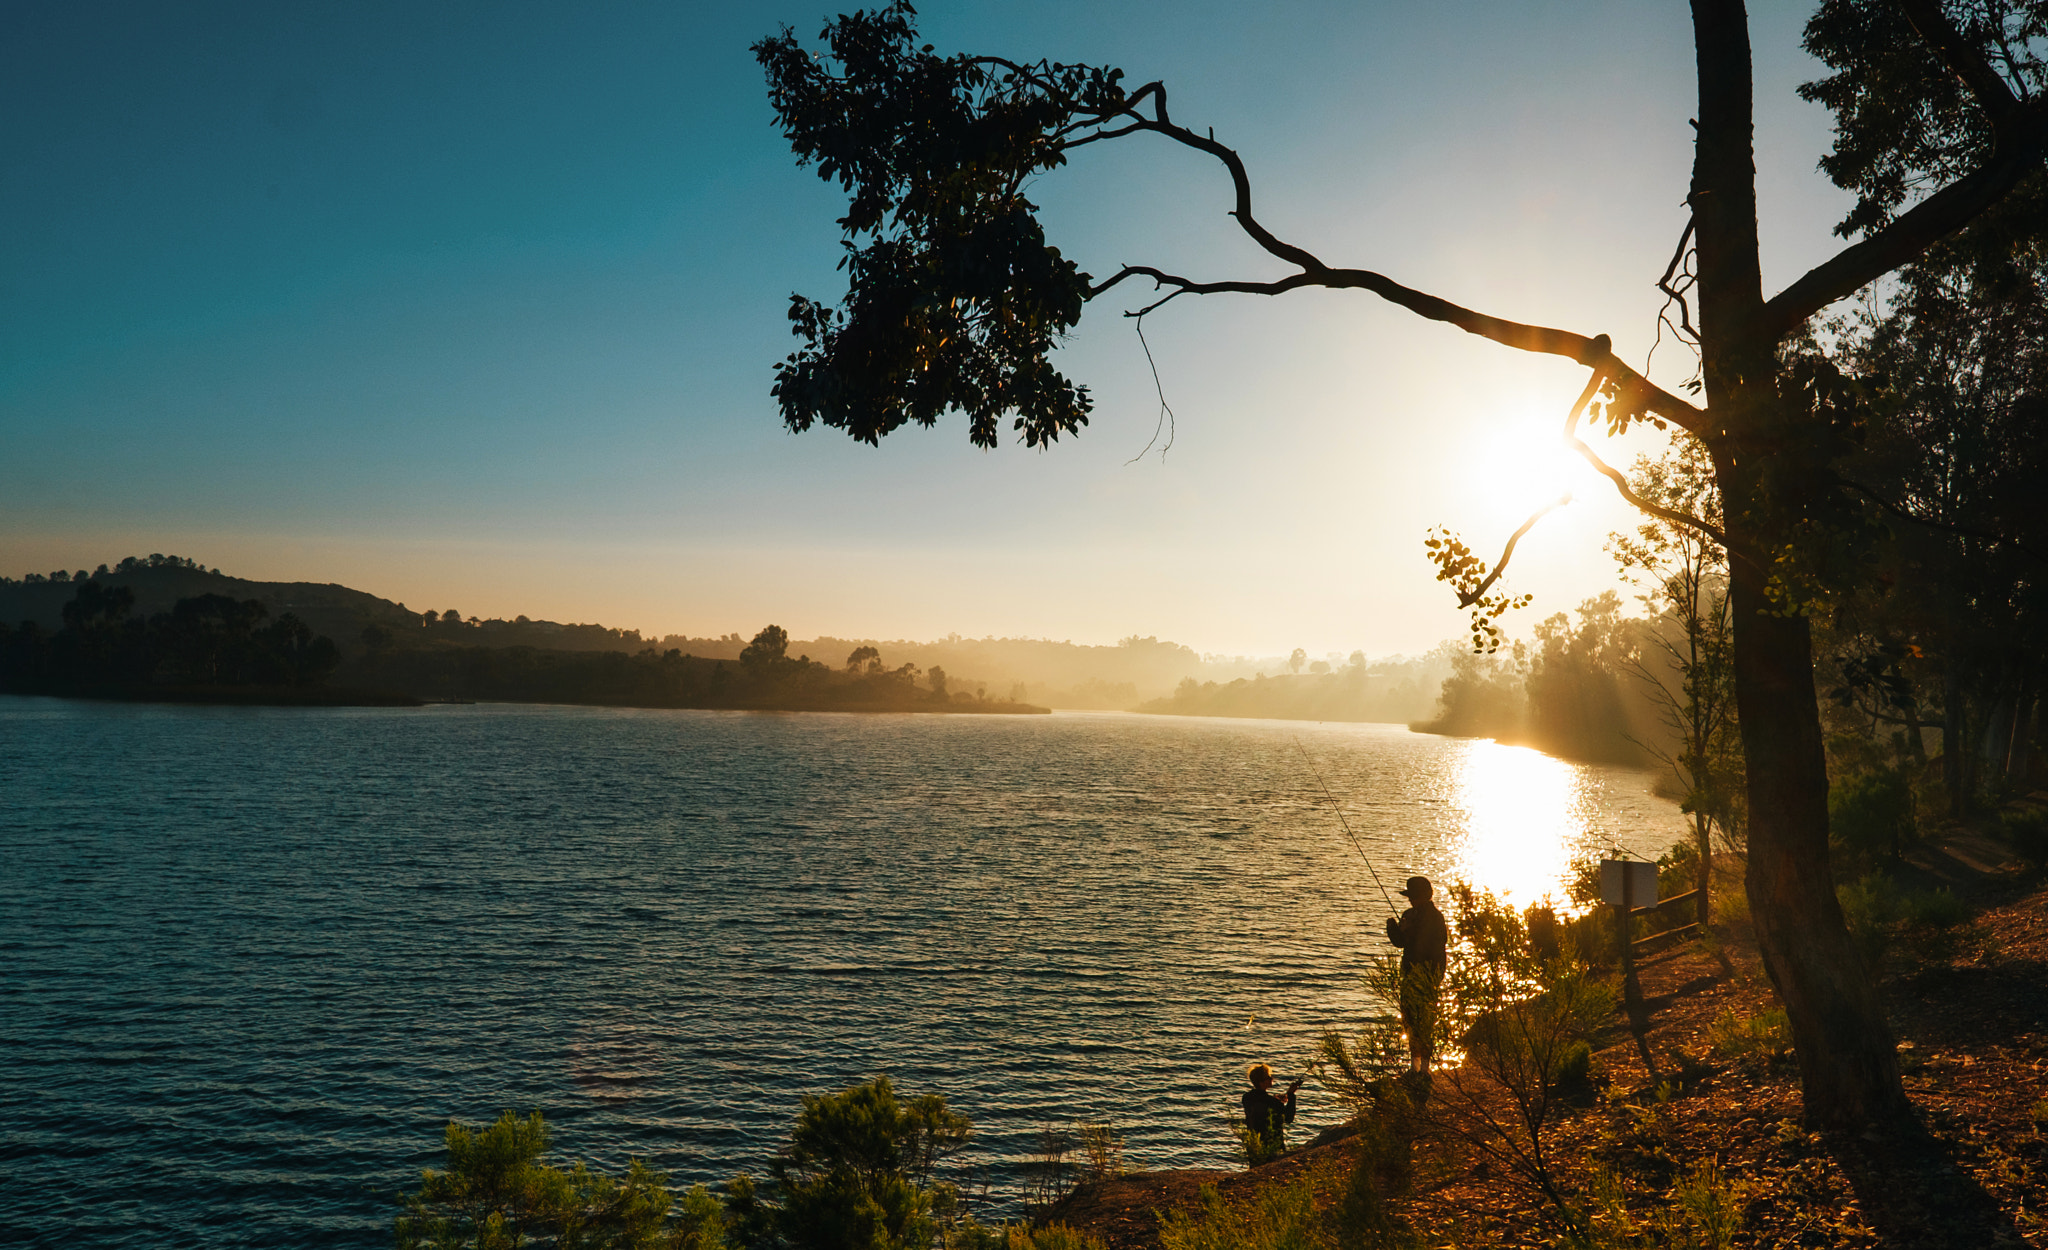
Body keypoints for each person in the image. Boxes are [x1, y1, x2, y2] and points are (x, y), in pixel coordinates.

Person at [1385, 875, 1449, 1073]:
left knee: (1422, 1021)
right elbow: (1400, 942)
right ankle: (1417, 1067)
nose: (1411, 900)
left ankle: (1423, 1069)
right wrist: (1393, 927)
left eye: (1414, 896)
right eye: (1410, 897)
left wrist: (1408, 931)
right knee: (1411, 1020)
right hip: (1417, 975)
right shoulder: (1412, 915)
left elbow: (1433, 943)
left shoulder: (1434, 918)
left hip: (1425, 976)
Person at [1240, 1063, 1300, 1164]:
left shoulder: (1247, 1098)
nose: (1272, 1078)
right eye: (1268, 1077)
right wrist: (1291, 1095)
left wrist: (1275, 1099)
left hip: (1255, 1142)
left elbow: (1260, 1099)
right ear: (1261, 1082)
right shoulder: (1273, 1103)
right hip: (1273, 1144)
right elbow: (1288, 1118)